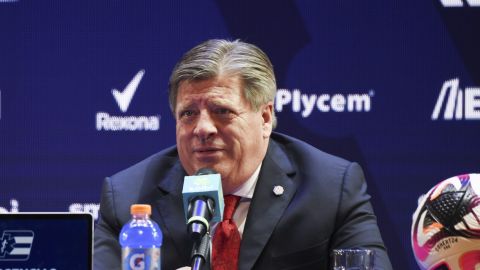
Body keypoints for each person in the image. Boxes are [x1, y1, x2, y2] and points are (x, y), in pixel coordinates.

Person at [94, 39, 393, 269]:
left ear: (264, 118)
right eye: (188, 114)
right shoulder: (128, 197)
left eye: (221, 111)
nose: (202, 128)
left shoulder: (331, 189)